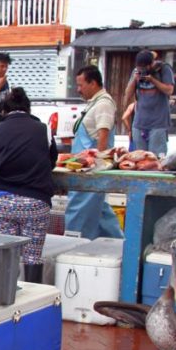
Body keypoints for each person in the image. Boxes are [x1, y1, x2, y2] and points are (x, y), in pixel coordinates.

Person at [0, 87, 57, 283]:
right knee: (33, 257)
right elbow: (51, 162)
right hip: (36, 203)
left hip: (2, 203)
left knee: (6, 256)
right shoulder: (44, 131)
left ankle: (5, 298)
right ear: (28, 109)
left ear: (4, 111)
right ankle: (34, 301)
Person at [65, 66, 124, 240]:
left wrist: (96, 163)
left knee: (79, 211)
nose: (79, 89)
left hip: (89, 171)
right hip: (82, 167)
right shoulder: (94, 103)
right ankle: (119, 244)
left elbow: (103, 135)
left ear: (93, 83)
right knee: (100, 211)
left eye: (81, 84)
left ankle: (73, 246)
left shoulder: (104, 103)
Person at [122, 49, 174, 156]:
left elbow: (169, 90)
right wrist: (135, 80)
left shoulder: (164, 69)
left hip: (158, 123)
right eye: (139, 68)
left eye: (144, 68)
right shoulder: (137, 71)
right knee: (139, 158)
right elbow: (127, 94)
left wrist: (153, 80)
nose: (142, 71)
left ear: (151, 64)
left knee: (155, 158)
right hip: (139, 123)